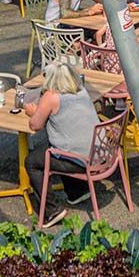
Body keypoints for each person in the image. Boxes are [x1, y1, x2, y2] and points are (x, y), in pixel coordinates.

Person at [27, 61, 99, 222]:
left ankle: (53, 210)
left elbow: (35, 125)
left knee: (32, 162)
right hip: (97, 154)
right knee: (57, 144)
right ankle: (77, 191)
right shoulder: (81, 90)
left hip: (78, 159)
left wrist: (33, 112)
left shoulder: (51, 96)